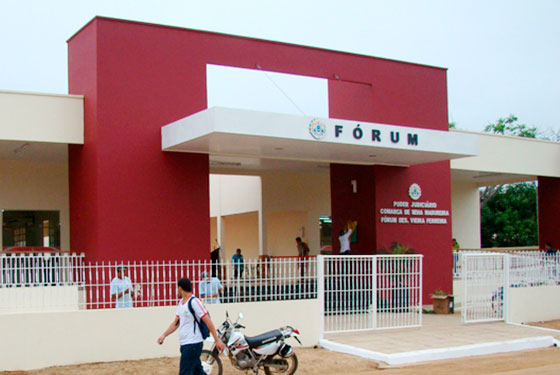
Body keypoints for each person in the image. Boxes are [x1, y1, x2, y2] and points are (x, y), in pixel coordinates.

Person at [157, 278, 225, 375]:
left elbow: (208, 321)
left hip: (193, 343)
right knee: (198, 372)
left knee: (185, 372)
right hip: (185, 344)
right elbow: (176, 323)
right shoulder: (181, 303)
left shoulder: (194, 302)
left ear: (180, 288)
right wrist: (164, 335)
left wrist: (217, 340)